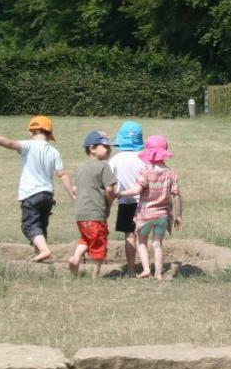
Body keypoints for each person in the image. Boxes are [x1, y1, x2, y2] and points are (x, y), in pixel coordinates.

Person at [0, 116, 75, 262]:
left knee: (29, 226)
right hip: (48, 195)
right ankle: (41, 256)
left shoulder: (28, 145)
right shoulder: (54, 152)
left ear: (34, 130)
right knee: (40, 228)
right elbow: (63, 175)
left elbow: (9, 143)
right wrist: (72, 193)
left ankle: (44, 250)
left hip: (31, 194)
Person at [117, 134, 182, 280]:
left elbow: (136, 191)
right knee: (157, 244)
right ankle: (158, 273)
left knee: (141, 242)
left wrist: (120, 194)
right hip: (162, 216)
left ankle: (146, 269)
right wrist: (178, 215)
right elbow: (176, 195)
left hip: (145, 215)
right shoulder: (171, 174)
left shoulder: (145, 172)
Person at [68, 130, 118, 277]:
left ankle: (75, 258)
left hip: (80, 214)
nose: (109, 149)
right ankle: (95, 275)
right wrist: (110, 203)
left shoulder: (80, 168)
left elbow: (75, 189)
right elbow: (109, 190)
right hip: (95, 214)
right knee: (99, 243)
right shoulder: (104, 167)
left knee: (86, 238)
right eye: (106, 146)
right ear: (92, 148)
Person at [110, 120, 145, 277]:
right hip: (145, 202)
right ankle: (148, 268)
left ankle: (131, 270)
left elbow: (108, 182)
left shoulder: (116, 159)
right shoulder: (144, 158)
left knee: (130, 236)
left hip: (126, 202)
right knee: (143, 237)